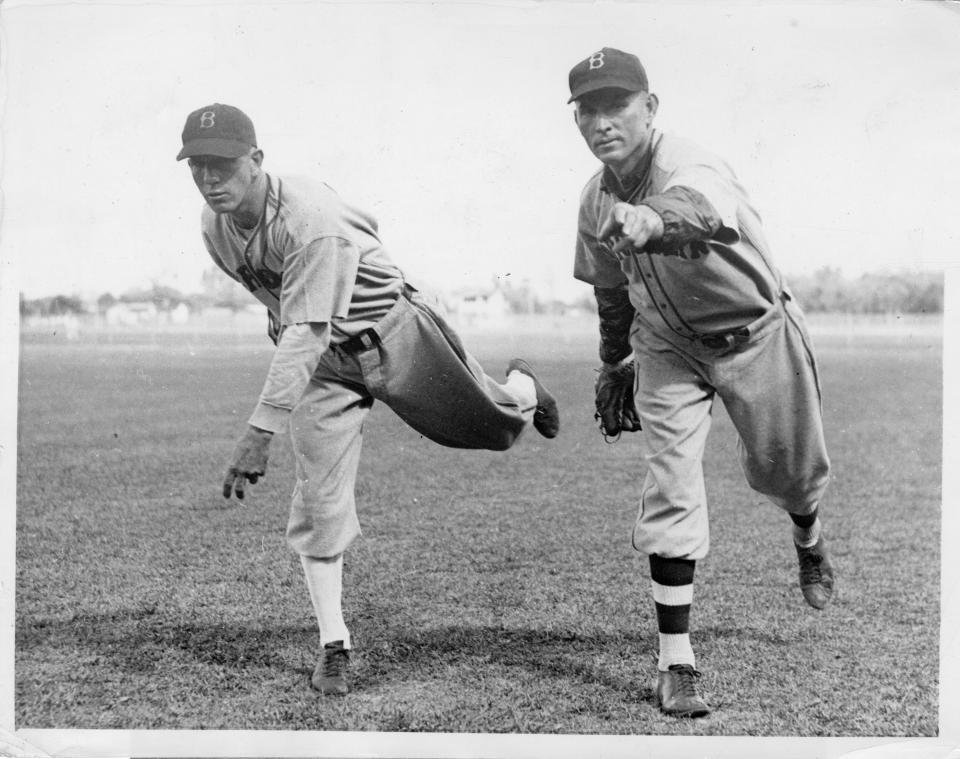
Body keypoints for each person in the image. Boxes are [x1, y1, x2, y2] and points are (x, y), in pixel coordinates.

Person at [175, 103, 559, 696]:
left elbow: (306, 325)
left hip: (393, 330)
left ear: (256, 159)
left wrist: (261, 428)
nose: (209, 177)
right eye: (197, 164)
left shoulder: (310, 216)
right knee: (319, 502)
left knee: (494, 426)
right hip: (323, 364)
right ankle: (334, 643)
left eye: (222, 162)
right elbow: (289, 315)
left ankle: (525, 387)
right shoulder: (213, 225)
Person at [566, 48, 833, 718]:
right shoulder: (593, 196)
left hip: (756, 331)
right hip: (666, 345)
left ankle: (808, 539)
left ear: (649, 108)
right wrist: (615, 359)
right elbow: (608, 289)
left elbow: (699, 210)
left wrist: (649, 219)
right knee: (671, 485)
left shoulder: (690, 161)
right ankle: (675, 662)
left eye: (617, 104)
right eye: (588, 109)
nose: (602, 122)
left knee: (791, 474)